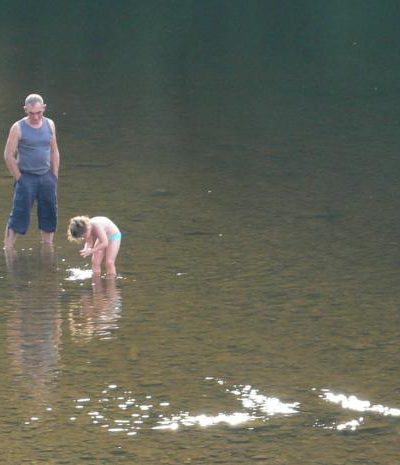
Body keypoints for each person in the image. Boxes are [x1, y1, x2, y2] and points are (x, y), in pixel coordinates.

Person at [3, 93, 60, 248]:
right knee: (18, 215)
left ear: (44, 108)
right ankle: (8, 248)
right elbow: (8, 155)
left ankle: (48, 248)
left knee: (49, 214)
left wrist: (54, 175)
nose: (35, 117)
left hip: (46, 176)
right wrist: (19, 178)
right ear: (25, 110)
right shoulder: (18, 127)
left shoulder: (50, 124)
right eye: (31, 113)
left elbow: (54, 150)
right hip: (26, 177)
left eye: (39, 112)